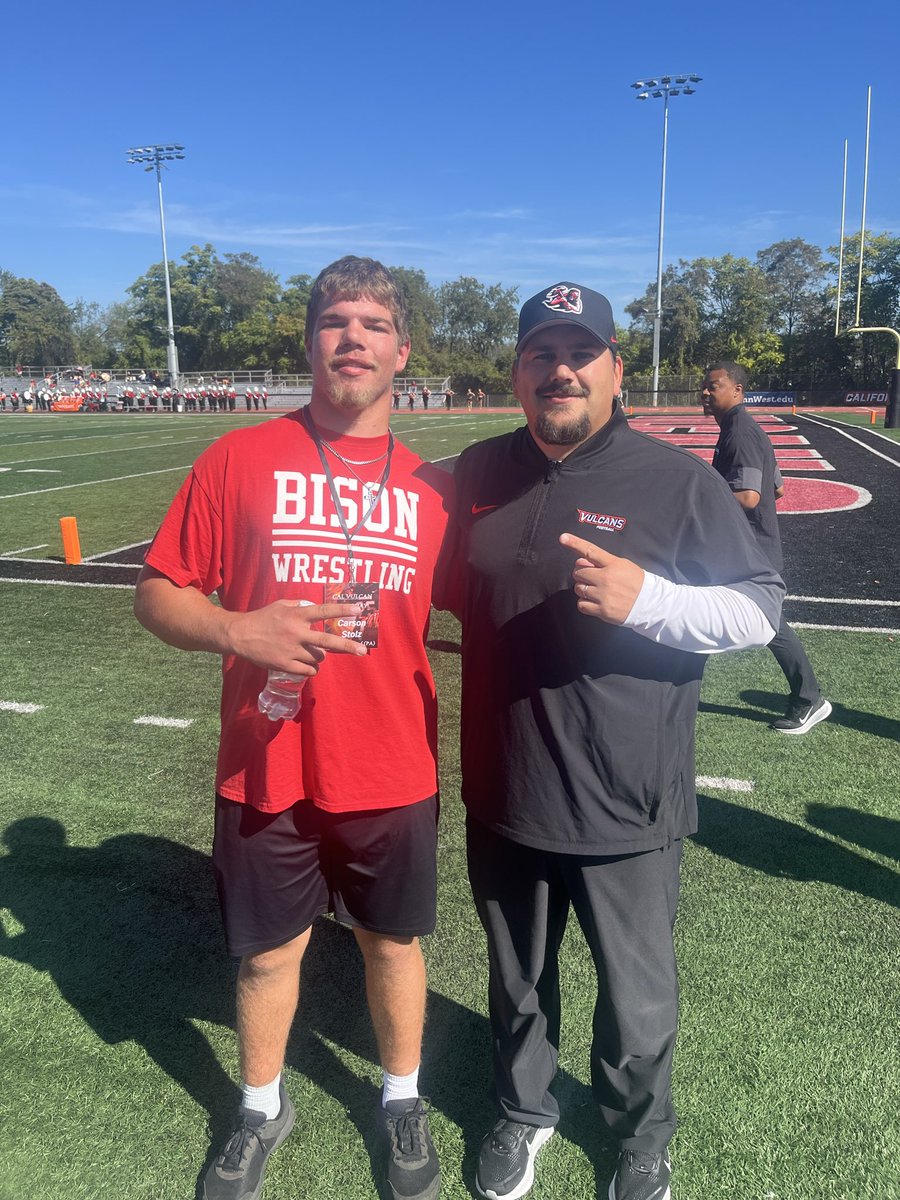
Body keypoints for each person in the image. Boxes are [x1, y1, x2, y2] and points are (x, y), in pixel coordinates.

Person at [435, 282, 784, 1200]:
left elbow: (760, 608)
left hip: (627, 798)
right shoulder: (477, 471)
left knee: (637, 1001)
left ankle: (640, 1137)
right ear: (516, 372)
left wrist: (654, 602)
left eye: (579, 353)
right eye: (540, 354)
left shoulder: (675, 481)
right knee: (515, 986)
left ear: (615, 369)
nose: (560, 370)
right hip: (503, 790)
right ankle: (523, 1111)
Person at [134, 256, 449, 1200]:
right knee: (270, 953)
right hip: (266, 764)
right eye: (334, 322)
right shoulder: (237, 458)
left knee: (390, 942)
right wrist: (236, 627)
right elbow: (157, 594)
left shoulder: (438, 486)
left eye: (372, 324)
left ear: (402, 349)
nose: (352, 338)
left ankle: (401, 1098)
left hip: (392, 764)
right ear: (310, 341)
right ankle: (261, 1108)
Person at [701, 361, 831, 733]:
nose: (705, 393)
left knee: (766, 625)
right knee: (716, 612)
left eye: (715, 386)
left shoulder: (739, 432)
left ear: (738, 390)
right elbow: (778, 488)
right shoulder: (745, 428)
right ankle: (809, 698)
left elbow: (748, 495)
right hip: (747, 548)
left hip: (748, 552)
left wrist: (699, 492)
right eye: (704, 387)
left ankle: (809, 700)